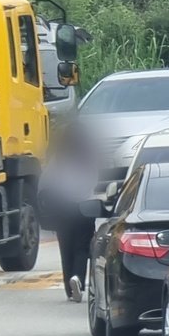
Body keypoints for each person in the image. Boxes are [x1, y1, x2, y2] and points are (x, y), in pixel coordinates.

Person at [39, 122, 100, 303]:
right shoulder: (89, 157)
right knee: (82, 248)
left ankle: (69, 288)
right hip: (84, 208)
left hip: (63, 208)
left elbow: (48, 181)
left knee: (65, 248)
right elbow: (93, 181)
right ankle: (78, 279)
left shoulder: (58, 157)